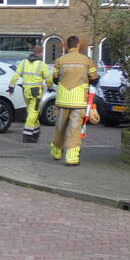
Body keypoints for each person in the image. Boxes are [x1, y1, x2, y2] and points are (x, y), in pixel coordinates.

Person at [49, 36, 98, 166]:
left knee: (60, 127)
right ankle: (71, 157)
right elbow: (94, 79)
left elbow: (54, 79)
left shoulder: (60, 60)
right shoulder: (87, 61)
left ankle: (56, 151)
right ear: (78, 45)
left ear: (67, 46)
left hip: (62, 100)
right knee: (74, 129)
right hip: (78, 100)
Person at [8, 44, 52, 142]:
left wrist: (11, 88)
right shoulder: (42, 65)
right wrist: (50, 87)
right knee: (34, 112)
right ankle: (27, 134)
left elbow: (15, 76)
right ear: (41, 52)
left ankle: (35, 132)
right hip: (36, 92)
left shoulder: (23, 63)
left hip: (25, 90)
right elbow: (49, 79)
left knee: (31, 111)